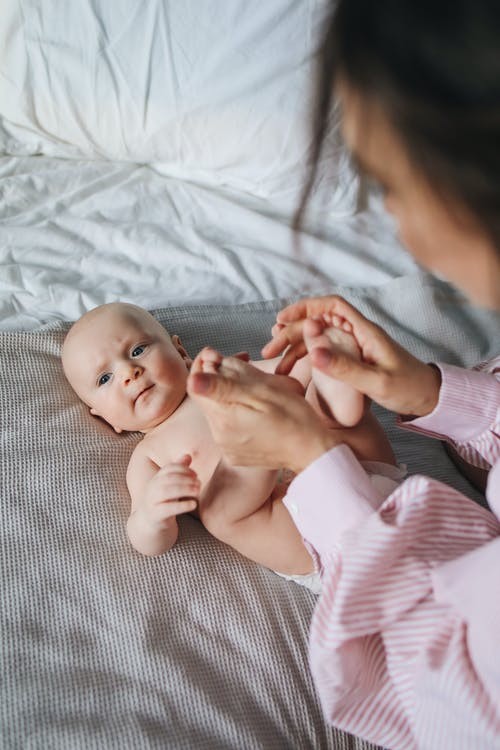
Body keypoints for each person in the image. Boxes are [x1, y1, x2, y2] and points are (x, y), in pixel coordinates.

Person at [185, 1, 500, 748]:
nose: (393, 220)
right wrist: (431, 393)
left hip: (367, 536)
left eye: (386, 181)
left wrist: (313, 459)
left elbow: (455, 699)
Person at [61, 301, 400, 593]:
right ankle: (262, 443)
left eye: (137, 351)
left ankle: (336, 370)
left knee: (317, 403)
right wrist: (152, 514)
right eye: (104, 379)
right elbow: (144, 539)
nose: (129, 373)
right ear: (105, 418)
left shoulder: (222, 375)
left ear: (181, 353)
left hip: (361, 472)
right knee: (221, 512)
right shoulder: (149, 455)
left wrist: (311, 355)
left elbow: (290, 376)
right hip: (307, 535)